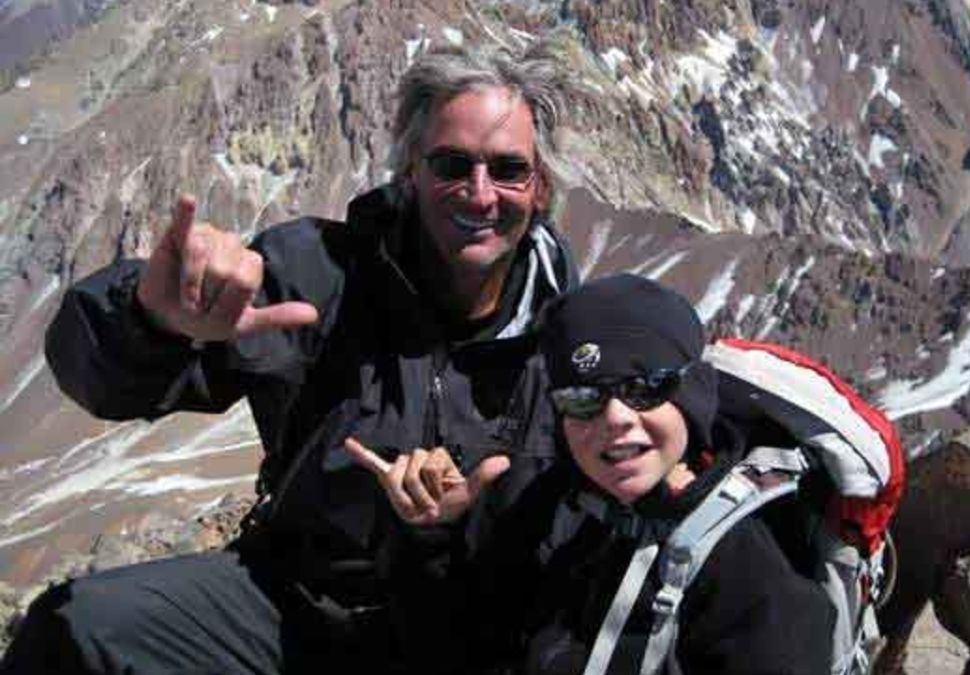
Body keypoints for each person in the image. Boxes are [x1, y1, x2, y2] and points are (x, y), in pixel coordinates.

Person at [2, 42, 578, 674]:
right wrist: (150, 321)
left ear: (540, 184)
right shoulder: (317, 275)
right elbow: (107, 383)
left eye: (507, 169)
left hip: (474, 629)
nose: (479, 191)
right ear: (410, 170)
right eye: (451, 164)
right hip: (300, 605)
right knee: (80, 630)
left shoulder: (571, 327)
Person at [350, 275, 837, 674]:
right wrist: (433, 535)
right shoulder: (542, 508)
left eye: (644, 388)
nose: (615, 418)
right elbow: (451, 650)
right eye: (583, 398)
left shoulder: (757, 580)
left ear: (692, 395)